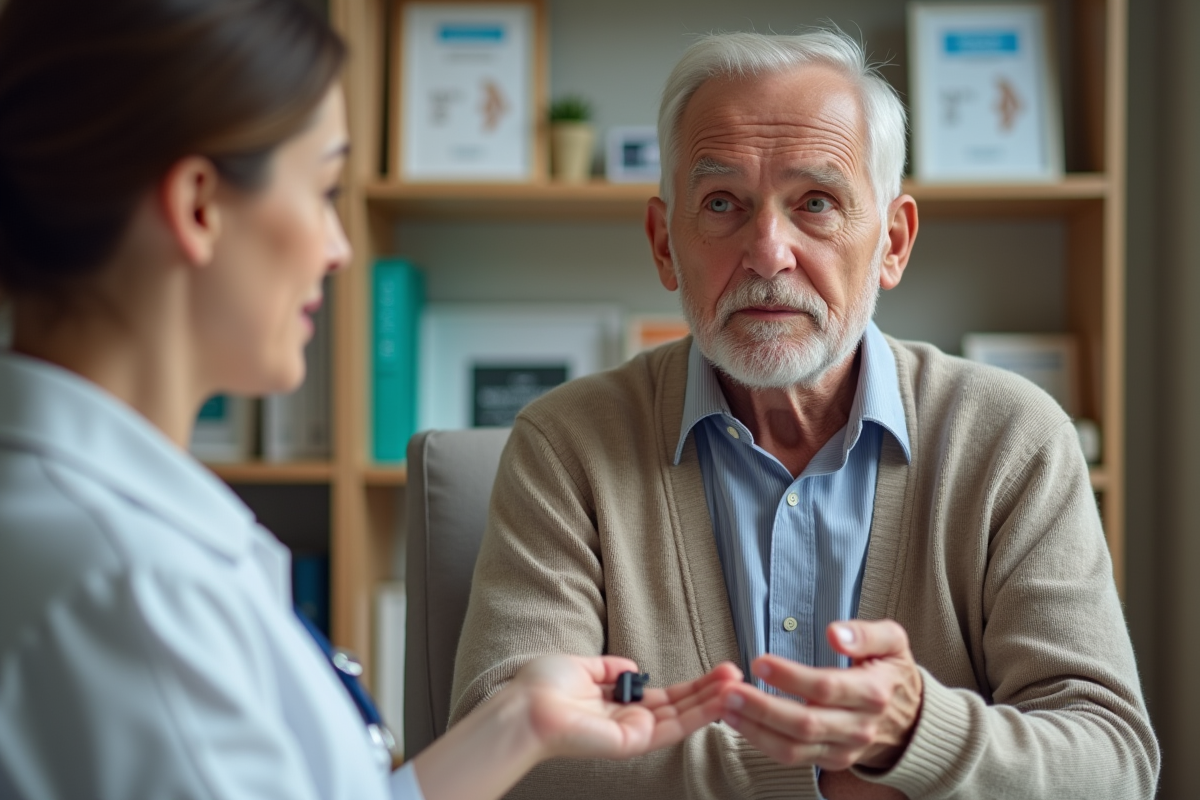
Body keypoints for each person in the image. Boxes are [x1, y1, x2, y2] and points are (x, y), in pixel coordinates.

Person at [0, 2, 745, 798]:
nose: (340, 247)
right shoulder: (131, 590)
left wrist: (519, 722)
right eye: (323, 189)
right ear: (199, 208)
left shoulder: (92, 537)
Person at [449, 29, 1160, 799]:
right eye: (722, 203)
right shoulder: (566, 446)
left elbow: (1112, 762)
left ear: (892, 241)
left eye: (815, 203)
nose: (767, 252)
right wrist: (828, 772)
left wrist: (916, 731)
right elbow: (502, 753)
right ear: (664, 244)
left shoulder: (1015, 441)